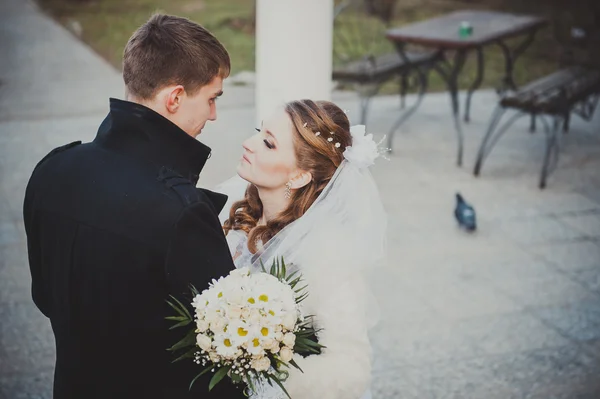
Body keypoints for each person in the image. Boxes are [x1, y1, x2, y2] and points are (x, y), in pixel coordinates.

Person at [23, 14, 243, 399]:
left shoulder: (52, 168)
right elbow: (222, 354)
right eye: (211, 98)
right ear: (174, 97)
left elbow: (45, 297)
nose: (213, 114)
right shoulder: (183, 211)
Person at [218, 99, 387, 399]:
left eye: (268, 143)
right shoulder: (237, 212)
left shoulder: (325, 257)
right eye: (259, 131)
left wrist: (263, 376)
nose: (248, 143)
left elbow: (351, 370)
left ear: (299, 176)